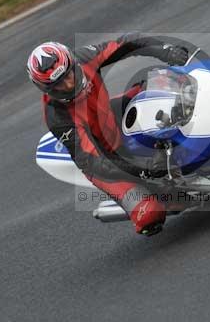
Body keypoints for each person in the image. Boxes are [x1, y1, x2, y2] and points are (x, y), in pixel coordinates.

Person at [27, 33, 193, 236]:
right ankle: (148, 201)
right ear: (46, 88)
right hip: (104, 161)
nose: (69, 85)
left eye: (68, 76)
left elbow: (127, 43)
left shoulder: (85, 57)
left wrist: (165, 50)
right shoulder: (57, 117)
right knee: (150, 214)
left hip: (109, 116)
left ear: (72, 64)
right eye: (59, 85)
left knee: (163, 80)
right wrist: (142, 170)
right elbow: (95, 161)